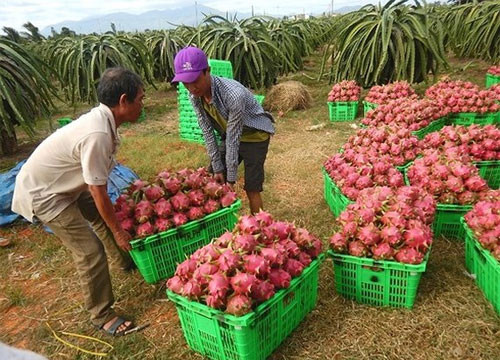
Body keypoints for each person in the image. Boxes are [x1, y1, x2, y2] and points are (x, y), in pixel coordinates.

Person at [11, 67, 144, 336]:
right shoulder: (97, 134)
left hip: (65, 182)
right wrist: (119, 231)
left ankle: (126, 262)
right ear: (122, 101)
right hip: (45, 194)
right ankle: (102, 315)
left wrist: (114, 225)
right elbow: (98, 191)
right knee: (89, 250)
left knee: (102, 215)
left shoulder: (104, 121)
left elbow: (98, 191)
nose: (143, 104)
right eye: (140, 98)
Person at [172, 46, 275, 214]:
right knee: (213, 176)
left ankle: (260, 226)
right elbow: (207, 131)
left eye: (195, 80)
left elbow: (234, 140)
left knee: (252, 187)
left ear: (208, 71)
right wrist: (218, 168)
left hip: (255, 136)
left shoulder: (233, 95)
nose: (191, 87)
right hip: (231, 133)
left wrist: (231, 178)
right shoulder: (195, 96)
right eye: (185, 83)